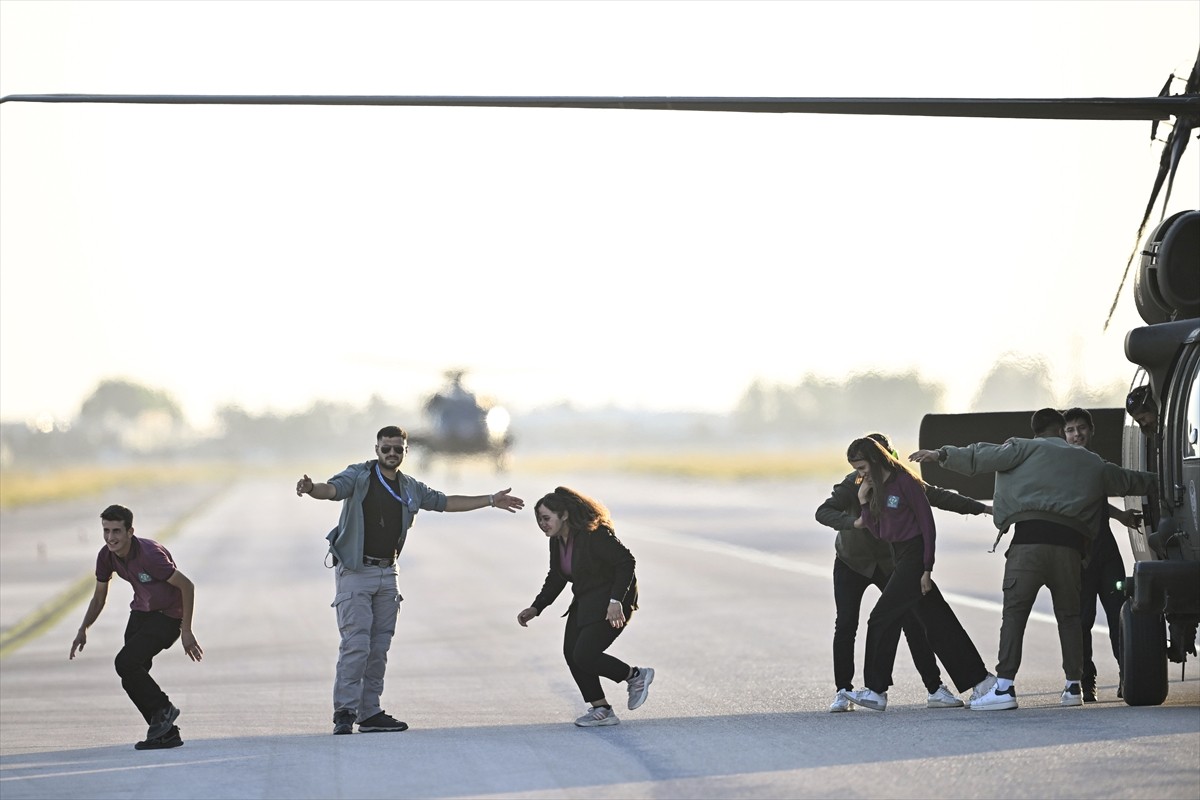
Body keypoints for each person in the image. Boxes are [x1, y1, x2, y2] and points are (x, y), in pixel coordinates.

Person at [912, 408, 1157, 711]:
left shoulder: (1021, 447)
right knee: (1069, 617)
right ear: (1059, 430)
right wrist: (1163, 479)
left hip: (1028, 543)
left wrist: (940, 454)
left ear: (1036, 430)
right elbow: (1128, 481)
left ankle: (1004, 689)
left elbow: (979, 457)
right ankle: (1073, 687)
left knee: (1015, 616)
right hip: (1070, 550)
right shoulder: (1090, 461)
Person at [297, 425, 524, 735]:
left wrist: (489, 499)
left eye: (397, 449)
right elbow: (333, 490)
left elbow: (446, 502)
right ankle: (345, 712)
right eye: (386, 448)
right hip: (356, 572)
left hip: (388, 573)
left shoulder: (410, 487)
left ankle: (370, 712)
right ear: (376, 449)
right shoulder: (359, 476)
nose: (391, 453)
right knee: (356, 644)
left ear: (406, 451)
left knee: (378, 647)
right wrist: (311, 488)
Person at [815, 432, 992, 713]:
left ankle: (926, 688)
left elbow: (933, 510)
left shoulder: (903, 482)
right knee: (920, 618)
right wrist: (858, 516)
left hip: (900, 562)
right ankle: (847, 690)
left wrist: (983, 508)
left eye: (864, 466)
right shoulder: (858, 483)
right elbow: (835, 515)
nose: (862, 473)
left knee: (912, 621)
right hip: (854, 561)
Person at [69, 504, 203, 750]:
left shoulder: (150, 555)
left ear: (130, 532)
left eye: (117, 531)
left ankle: (164, 709)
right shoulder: (105, 555)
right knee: (131, 675)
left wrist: (186, 630)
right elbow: (99, 597)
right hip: (141, 612)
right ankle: (167, 733)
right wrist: (83, 628)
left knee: (125, 663)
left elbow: (187, 586)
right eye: (106, 531)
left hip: (168, 616)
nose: (111, 538)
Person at [517, 486, 653, 727]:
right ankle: (601, 709)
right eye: (538, 519)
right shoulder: (558, 541)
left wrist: (616, 601)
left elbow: (626, 562)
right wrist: (536, 607)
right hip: (586, 599)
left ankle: (635, 676)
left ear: (564, 515)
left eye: (546, 518)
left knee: (585, 654)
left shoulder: (594, 534)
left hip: (613, 601)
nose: (542, 524)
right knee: (572, 653)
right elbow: (557, 576)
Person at [1063, 406, 1139, 701]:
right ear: (1063, 434)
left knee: (1120, 616)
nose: (1077, 434)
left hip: (1106, 554)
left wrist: (1121, 516)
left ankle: (1127, 675)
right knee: (1082, 621)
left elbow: (1097, 502)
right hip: (1079, 557)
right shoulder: (1060, 468)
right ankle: (1085, 680)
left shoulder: (1097, 464)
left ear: (1090, 431)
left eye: (1081, 428)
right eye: (1070, 429)